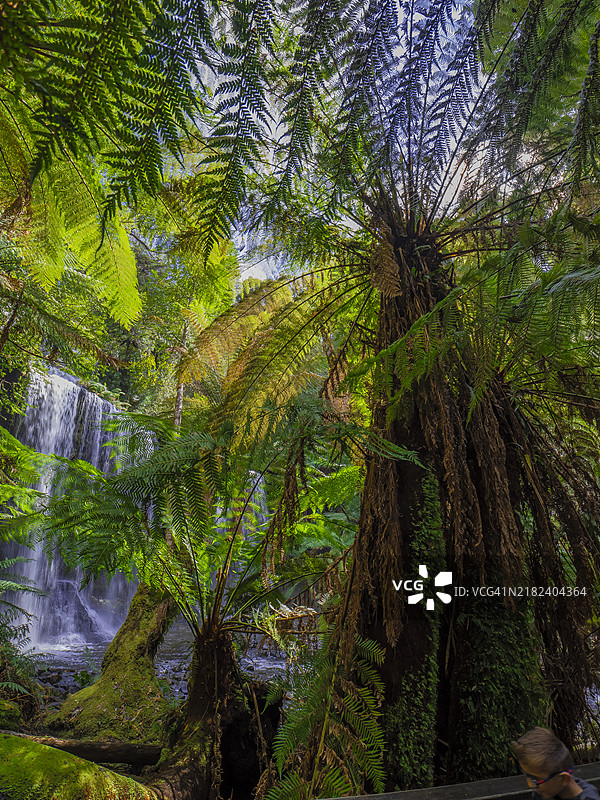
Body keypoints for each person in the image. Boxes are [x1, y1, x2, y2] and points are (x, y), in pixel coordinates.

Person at [512, 728, 600, 800]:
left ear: (564, 779)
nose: (530, 785)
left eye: (536, 779)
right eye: (527, 775)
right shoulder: (543, 793)